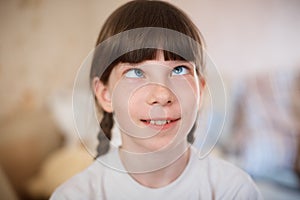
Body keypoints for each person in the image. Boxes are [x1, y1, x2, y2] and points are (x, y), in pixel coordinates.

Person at [50, 1, 263, 199]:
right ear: (106, 95)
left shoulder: (234, 190)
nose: (162, 95)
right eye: (135, 73)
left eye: (179, 70)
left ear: (200, 91)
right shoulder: (74, 195)